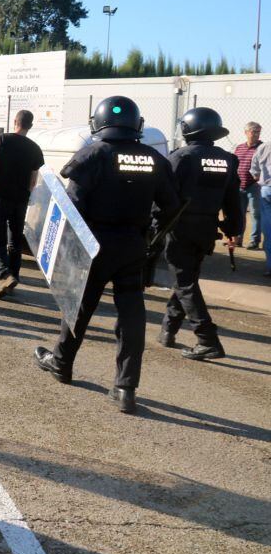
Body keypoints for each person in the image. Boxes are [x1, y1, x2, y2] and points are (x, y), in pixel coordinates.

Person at [34, 96, 179, 414]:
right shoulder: (154, 159)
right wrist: (152, 235)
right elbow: (172, 205)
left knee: (80, 307)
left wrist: (71, 247)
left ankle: (61, 363)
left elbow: (72, 205)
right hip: (132, 245)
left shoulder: (94, 153)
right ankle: (125, 387)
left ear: (97, 123)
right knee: (132, 315)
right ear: (136, 124)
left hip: (94, 245)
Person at [159, 108, 243, 361]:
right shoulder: (228, 159)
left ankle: (207, 339)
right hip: (207, 229)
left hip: (180, 228)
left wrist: (153, 225)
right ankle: (168, 329)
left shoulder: (181, 157)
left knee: (184, 282)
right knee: (186, 279)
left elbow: (163, 195)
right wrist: (233, 229)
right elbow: (233, 201)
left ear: (187, 129)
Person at [0, 111, 43, 298]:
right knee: (15, 242)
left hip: (0, 198)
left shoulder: (3, 140)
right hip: (20, 201)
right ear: (30, 125)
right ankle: (13, 278)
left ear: (15, 122)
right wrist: (26, 195)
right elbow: (33, 180)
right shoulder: (35, 148)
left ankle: (4, 274)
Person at [233, 121, 263, 250]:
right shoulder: (239, 148)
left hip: (254, 186)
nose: (256, 134)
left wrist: (259, 180)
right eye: (253, 131)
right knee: (240, 213)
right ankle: (238, 239)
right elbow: (235, 164)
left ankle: (254, 241)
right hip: (240, 185)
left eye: (258, 132)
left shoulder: (262, 148)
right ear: (246, 133)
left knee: (256, 214)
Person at [249, 137, 271, 278]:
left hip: (267, 190)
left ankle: (270, 267)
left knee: (269, 230)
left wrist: (259, 178)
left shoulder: (263, 147)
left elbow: (254, 170)